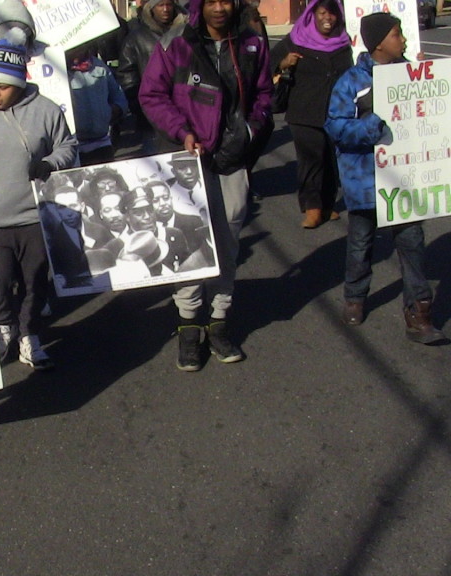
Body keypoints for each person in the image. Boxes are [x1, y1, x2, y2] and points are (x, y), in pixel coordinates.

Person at [140, 0, 272, 372]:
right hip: (187, 158)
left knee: (228, 243)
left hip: (232, 158)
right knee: (189, 242)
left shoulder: (252, 44)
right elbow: (151, 95)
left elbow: (264, 95)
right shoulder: (175, 43)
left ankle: (218, 323)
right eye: (210, 0)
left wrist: (249, 130)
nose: (219, 8)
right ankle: (188, 327)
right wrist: (182, 132)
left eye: (226, 0)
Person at [324, 13, 451, 344]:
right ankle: (355, 297)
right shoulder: (352, 82)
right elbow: (335, 127)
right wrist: (370, 127)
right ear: (377, 42)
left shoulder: (415, 75)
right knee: (361, 243)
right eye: (396, 34)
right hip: (365, 180)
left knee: (412, 243)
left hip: (407, 181)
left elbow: (438, 109)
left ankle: (419, 314)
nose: (403, 40)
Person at [0, 29, 77, 370]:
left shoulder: (47, 111)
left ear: (19, 83)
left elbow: (68, 146)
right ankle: (5, 327)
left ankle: (29, 335)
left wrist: (49, 163)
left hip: (35, 217)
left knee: (36, 282)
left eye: (2, 87)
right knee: (0, 283)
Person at [270, 0, 351, 229]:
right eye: (322, 12)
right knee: (311, 159)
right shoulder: (296, 38)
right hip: (303, 109)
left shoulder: (345, 41)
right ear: (312, 14)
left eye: (332, 13)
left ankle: (327, 205)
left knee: (329, 158)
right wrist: (285, 63)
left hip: (335, 110)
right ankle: (312, 208)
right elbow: (268, 63)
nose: (328, 18)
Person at [118, 0, 186, 155]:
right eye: (160, 5)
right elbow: (127, 76)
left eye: (169, 5)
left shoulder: (186, 33)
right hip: (151, 121)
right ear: (151, 8)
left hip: (187, 117)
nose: (166, 9)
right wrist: (141, 107)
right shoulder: (136, 38)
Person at [65, 42, 128, 166]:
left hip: (102, 142)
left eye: (80, 47)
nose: (77, 50)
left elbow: (119, 97)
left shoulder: (99, 66)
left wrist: (112, 112)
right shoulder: (53, 70)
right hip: (72, 146)